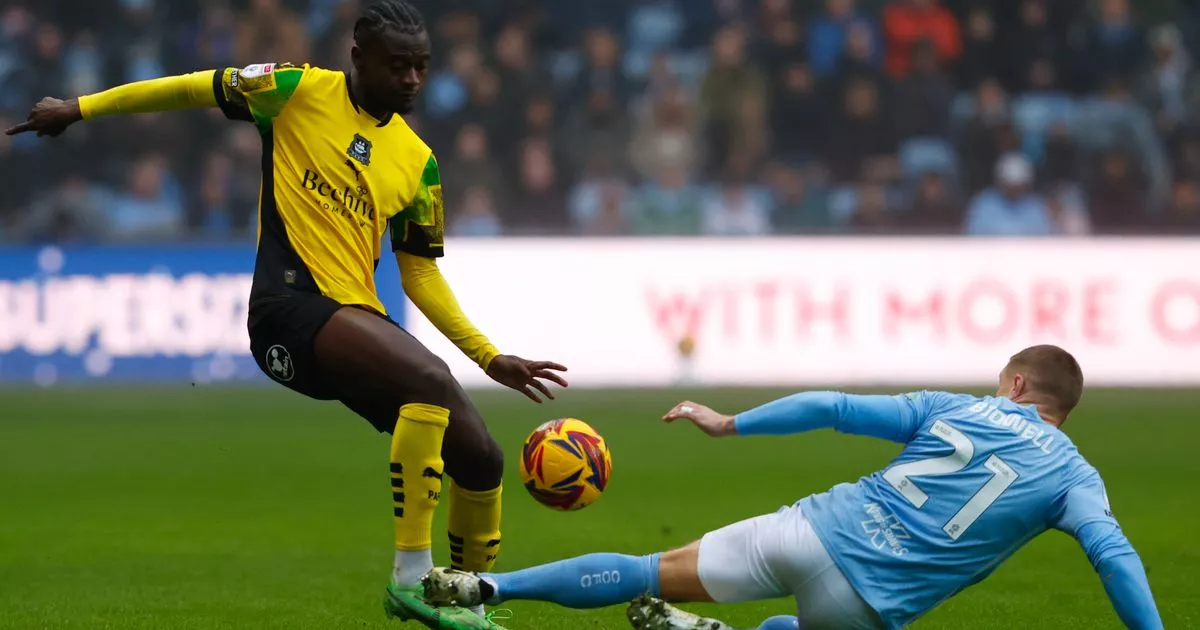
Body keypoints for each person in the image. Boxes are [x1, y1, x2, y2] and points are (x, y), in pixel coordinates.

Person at [5, 2, 565, 628]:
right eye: (398, 65)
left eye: (422, 67)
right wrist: (79, 108)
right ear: (358, 58)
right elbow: (193, 87)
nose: (412, 80)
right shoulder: (294, 89)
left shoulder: (419, 164)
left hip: (356, 319)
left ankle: (465, 598)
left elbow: (420, 272)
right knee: (429, 383)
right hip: (287, 310)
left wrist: (490, 356)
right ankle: (413, 580)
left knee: (481, 458)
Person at [412, 345, 1164, 630]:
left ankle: (490, 591)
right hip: (868, 603)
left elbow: (833, 407)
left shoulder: (956, 409)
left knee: (648, 571)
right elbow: (1115, 557)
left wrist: (729, 422)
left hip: (811, 530)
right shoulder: (1075, 477)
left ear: (1018, 383)